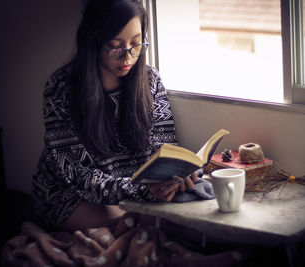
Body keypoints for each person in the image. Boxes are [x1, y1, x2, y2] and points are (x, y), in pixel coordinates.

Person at [31, 0, 196, 232]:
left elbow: (165, 147)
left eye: (136, 44)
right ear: (94, 41)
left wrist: (176, 174)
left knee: (183, 218)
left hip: (135, 190)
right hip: (70, 192)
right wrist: (142, 192)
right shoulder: (61, 89)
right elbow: (77, 174)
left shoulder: (150, 81)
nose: (128, 57)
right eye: (115, 46)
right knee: (139, 227)